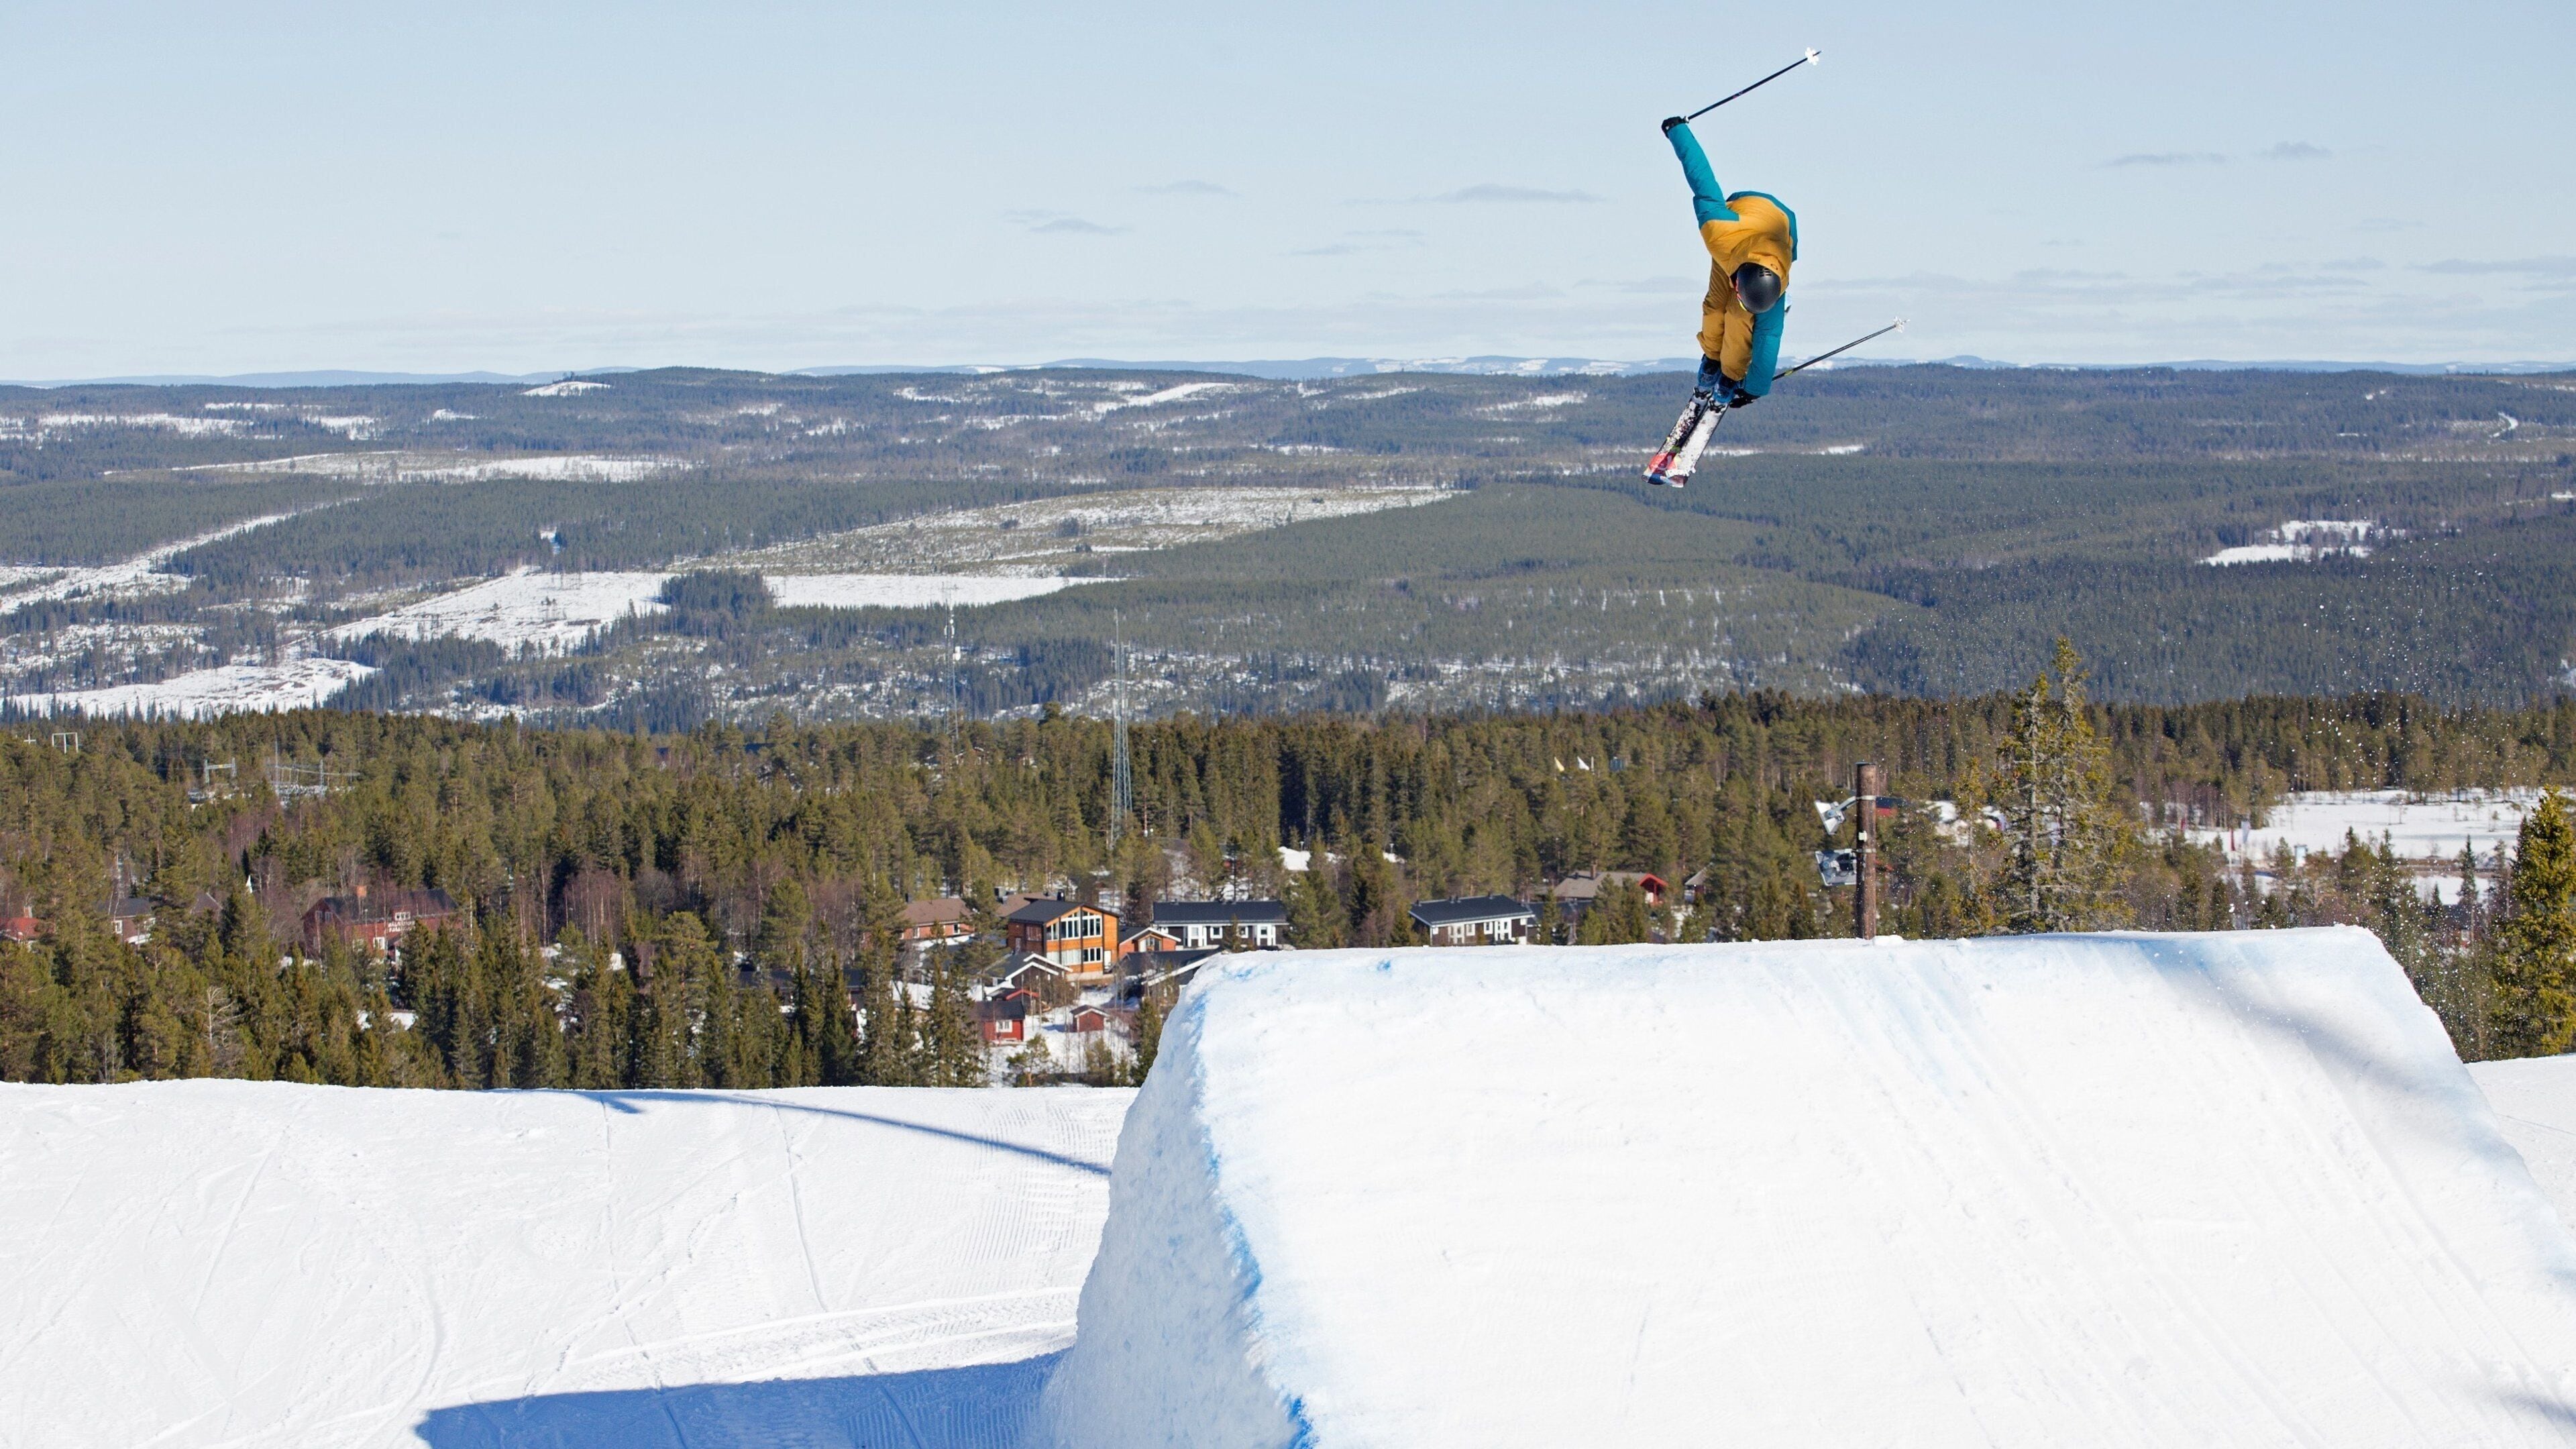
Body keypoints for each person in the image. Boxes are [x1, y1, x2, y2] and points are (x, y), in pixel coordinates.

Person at [1660, 115, 1796, 411]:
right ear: (1738, 284)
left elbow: (1768, 340)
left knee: (1741, 322)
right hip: (1741, 223)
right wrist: (1678, 131)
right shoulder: (1719, 231)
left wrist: (1753, 389)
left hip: (1780, 231)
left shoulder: (1774, 293)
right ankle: (1711, 359)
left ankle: (1729, 375)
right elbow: (1701, 179)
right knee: (1716, 305)